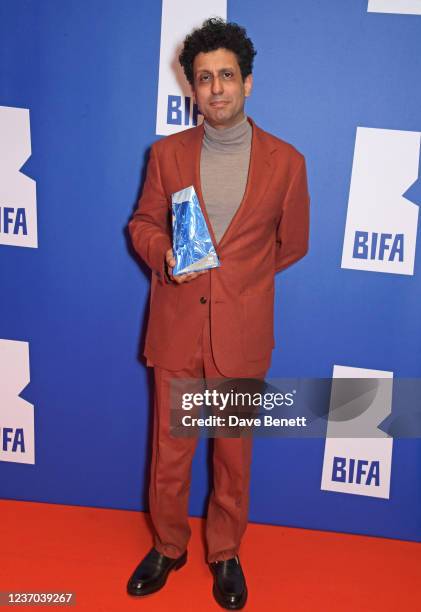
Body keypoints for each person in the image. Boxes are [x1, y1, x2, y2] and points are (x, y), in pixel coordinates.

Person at [127, 17, 310, 610]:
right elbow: (144, 224)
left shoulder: (287, 162)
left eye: (226, 75)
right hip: (178, 329)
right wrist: (165, 257)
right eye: (204, 78)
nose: (216, 88)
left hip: (241, 334)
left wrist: (242, 283)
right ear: (193, 89)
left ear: (247, 82)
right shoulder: (166, 155)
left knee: (233, 459)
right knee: (170, 456)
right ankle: (169, 545)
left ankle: (225, 553)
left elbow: (293, 244)